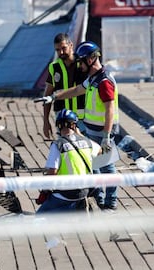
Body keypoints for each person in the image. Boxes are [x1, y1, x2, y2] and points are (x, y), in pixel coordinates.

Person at [35, 41, 119, 211]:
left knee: (107, 167)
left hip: (103, 131)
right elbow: (77, 90)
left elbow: (110, 109)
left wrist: (106, 136)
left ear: (91, 60)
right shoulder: (94, 79)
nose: (79, 65)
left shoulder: (104, 82)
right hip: (92, 129)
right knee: (93, 165)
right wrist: (54, 97)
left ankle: (111, 203)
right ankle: (99, 198)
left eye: (81, 61)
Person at [36, 109, 100, 214]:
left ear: (58, 126)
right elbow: (99, 150)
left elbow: (52, 172)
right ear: (75, 125)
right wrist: (80, 135)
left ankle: (72, 211)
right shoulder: (86, 142)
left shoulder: (58, 145)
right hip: (84, 191)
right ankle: (77, 209)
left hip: (65, 194)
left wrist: (44, 191)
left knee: (40, 216)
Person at [41, 33, 87, 139]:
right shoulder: (54, 67)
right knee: (66, 151)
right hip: (63, 120)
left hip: (83, 119)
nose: (61, 52)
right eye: (57, 50)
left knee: (85, 150)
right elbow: (47, 95)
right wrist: (46, 121)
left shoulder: (83, 64)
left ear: (71, 45)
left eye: (63, 48)